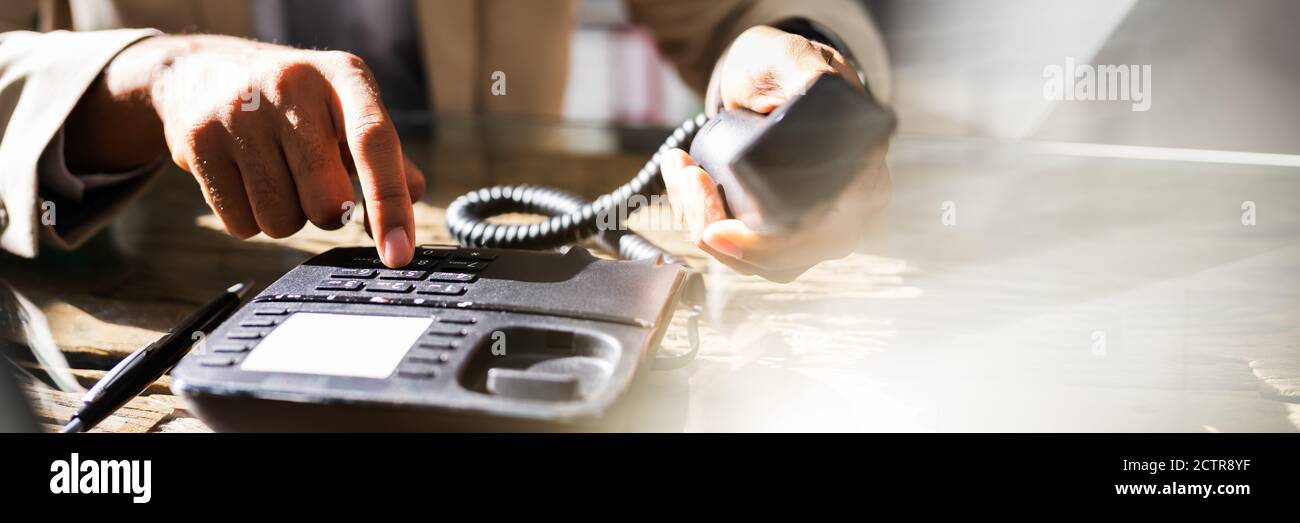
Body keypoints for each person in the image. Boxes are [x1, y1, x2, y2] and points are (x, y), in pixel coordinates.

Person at [0, 0, 892, 282]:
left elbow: (746, 12)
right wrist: (148, 78)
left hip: (508, 284)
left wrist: (800, 54)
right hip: (152, 291)